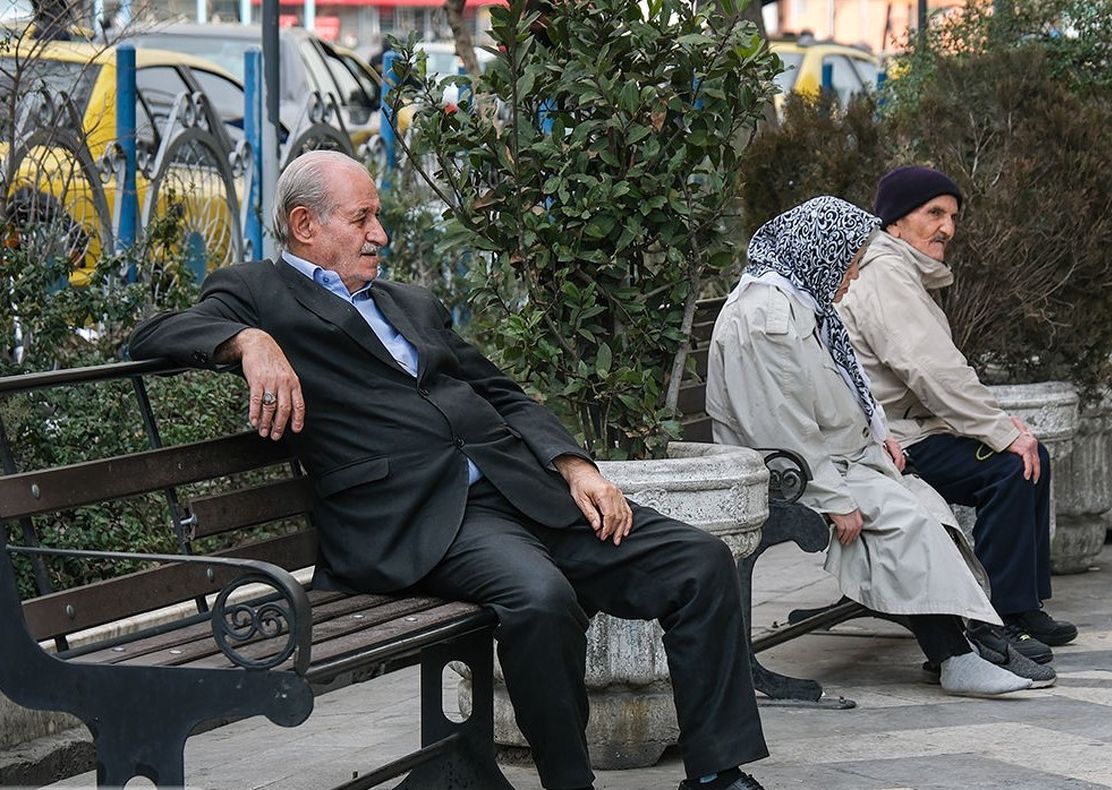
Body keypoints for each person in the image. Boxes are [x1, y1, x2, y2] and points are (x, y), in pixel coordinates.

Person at [129, 151, 768, 790]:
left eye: (376, 217)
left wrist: (577, 466)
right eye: (363, 219)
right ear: (305, 225)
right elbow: (155, 334)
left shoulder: (410, 303)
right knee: (541, 599)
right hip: (423, 520)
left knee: (699, 562)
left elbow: (502, 392)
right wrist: (250, 342)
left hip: (524, 490)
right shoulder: (259, 292)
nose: (380, 235)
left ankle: (716, 775)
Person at [706, 196, 1048, 697]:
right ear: (819, 253)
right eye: (849, 263)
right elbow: (780, 425)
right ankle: (958, 655)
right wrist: (834, 501)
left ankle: (977, 637)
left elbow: (843, 388)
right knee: (905, 523)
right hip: (799, 473)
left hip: (835, 460)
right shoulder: (767, 317)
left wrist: (880, 433)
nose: (854, 276)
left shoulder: (797, 298)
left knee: (927, 512)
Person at [836, 165, 1079, 666]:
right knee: (1011, 467)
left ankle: (1023, 605)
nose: (947, 227)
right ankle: (995, 619)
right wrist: (1000, 431)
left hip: (914, 429)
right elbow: (931, 370)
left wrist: (1005, 429)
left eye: (952, 216)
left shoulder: (901, 270)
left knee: (1032, 457)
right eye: (934, 213)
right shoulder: (885, 273)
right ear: (895, 221)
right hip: (894, 440)